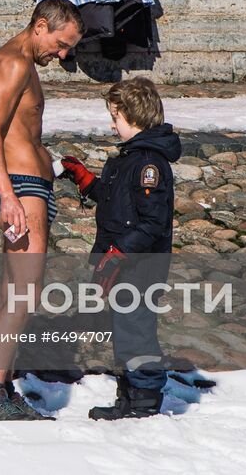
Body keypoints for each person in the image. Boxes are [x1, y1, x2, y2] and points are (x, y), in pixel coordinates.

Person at [0, 0, 84, 423]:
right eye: (61, 43)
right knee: (24, 292)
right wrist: (9, 197)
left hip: (33, 185)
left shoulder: (22, 63)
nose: (63, 54)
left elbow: (22, 133)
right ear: (40, 26)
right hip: (21, 189)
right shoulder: (14, 63)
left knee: (14, 293)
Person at [57, 77, 181, 420]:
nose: (112, 125)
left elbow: (151, 224)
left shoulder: (148, 166)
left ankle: (144, 397)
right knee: (125, 329)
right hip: (123, 261)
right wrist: (84, 179)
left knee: (136, 330)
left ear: (135, 118)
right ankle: (129, 394)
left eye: (116, 118)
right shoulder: (129, 159)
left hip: (140, 266)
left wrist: (118, 254)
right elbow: (117, 204)